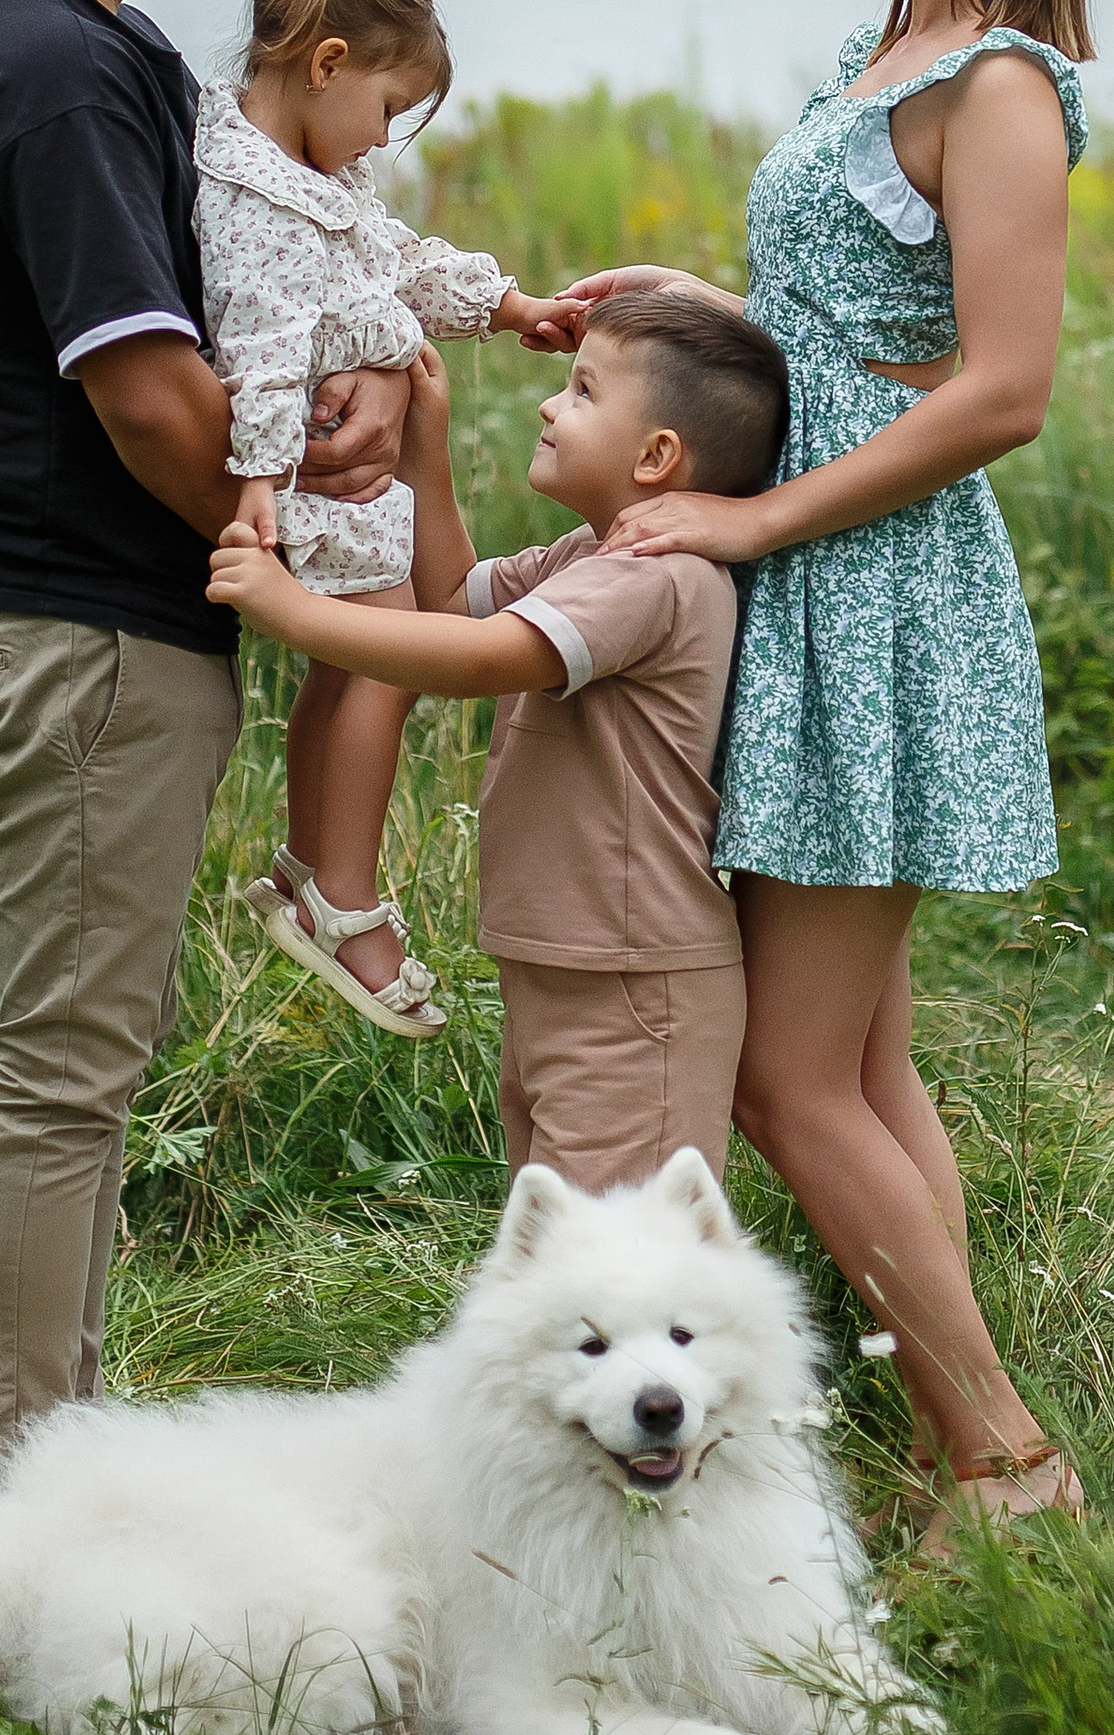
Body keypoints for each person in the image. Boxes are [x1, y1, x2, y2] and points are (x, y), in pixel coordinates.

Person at [528, 0, 1094, 1545]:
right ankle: (955, 1447)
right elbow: (853, 310)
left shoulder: (996, 84)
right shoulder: (888, 45)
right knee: (858, 1065)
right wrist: (692, 300)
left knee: (784, 1081)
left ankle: (1012, 1464)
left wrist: (760, 509)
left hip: (875, 586)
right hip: (819, 580)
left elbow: (1000, 388)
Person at [0, 0, 412, 1455]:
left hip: (71, 629)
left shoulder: (83, 51)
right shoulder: (54, 70)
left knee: (79, 1079)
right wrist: (303, 545)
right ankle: (33, 1500)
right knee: (60, 1086)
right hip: (73, 638)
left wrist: (309, 429)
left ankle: (55, 1452)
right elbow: (140, 396)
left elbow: (214, 355)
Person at [208, 285, 791, 1192]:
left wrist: (293, 612)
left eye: (585, 392)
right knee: (562, 1245)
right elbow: (451, 598)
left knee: (621, 1272)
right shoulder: (589, 555)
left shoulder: (655, 576)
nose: (550, 403)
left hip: (633, 982)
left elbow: (480, 655)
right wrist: (423, 456)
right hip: (577, 962)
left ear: (657, 456)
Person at [195, 0, 551, 1038]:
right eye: (390, 110)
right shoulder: (257, 202)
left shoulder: (311, 175)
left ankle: (314, 862)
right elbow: (256, 345)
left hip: (330, 477)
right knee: (383, 660)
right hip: (314, 477)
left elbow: (397, 258)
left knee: (350, 668)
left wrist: (507, 306)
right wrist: (254, 487)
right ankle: (342, 894)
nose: (385, 139)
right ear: (329, 62)